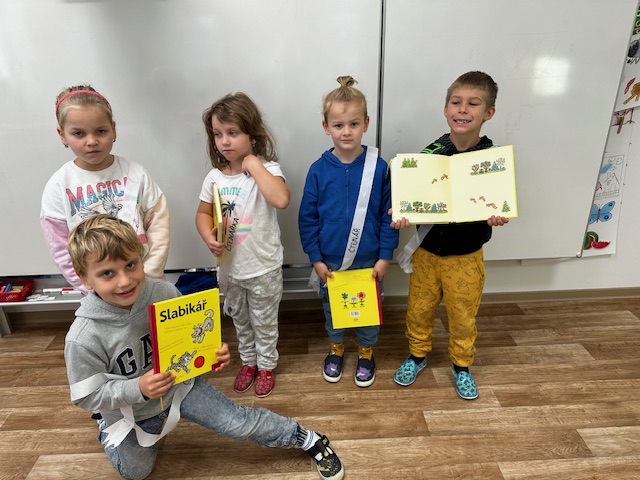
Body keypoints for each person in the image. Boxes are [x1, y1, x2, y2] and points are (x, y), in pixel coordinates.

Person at [64, 214, 344, 480]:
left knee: (237, 423)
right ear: (84, 278)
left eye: (130, 265)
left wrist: (211, 353)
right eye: (107, 273)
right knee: (137, 472)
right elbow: (85, 397)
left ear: (141, 257)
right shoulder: (83, 337)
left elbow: (189, 341)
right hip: (130, 411)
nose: (125, 281)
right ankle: (105, 423)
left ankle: (307, 438)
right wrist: (136, 388)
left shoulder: (164, 293)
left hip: (180, 388)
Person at [392, 71, 509, 400]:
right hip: (427, 253)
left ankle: (462, 365)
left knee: (462, 316)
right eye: (456, 102)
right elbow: (408, 194)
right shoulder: (429, 154)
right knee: (419, 309)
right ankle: (417, 355)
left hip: (466, 257)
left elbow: (498, 201)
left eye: (473, 103)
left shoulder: (492, 162)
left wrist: (498, 214)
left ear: (488, 113)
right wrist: (401, 211)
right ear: (445, 110)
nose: (463, 109)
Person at [298, 76, 399, 388]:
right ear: (326, 126)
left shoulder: (379, 167)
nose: (346, 131)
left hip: (369, 260)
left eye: (354, 124)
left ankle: (366, 351)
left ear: (366, 123)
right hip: (330, 262)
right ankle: (336, 347)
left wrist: (385, 256)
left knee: (367, 311)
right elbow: (307, 218)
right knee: (334, 310)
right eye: (338, 125)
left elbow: (389, 216)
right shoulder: (318, 170)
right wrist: (315, 258)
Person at [195, 93, 290, 398]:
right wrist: (208, 236)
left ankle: (266, 366)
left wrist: (253, 164)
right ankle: (248, 362)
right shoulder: (214, 177)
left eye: (233, 133)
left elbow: (281, 199)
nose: (224, 141)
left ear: (253, 135)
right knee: (240, 321)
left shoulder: (268, 169)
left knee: (265, 322)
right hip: (231, 270)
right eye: (218, 134)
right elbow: (202, 214)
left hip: (264, 268)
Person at [41, 85, 169, 293]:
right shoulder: (58, 186)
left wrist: (149, 275)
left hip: (145, 283)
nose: (92, 141)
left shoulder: (136, 174)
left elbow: (158, 226)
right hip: (98, 291)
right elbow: (60, 249)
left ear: (113, 129)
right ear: (62, 135)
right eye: (79, 133)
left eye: (101, 131)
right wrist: (91, 287)